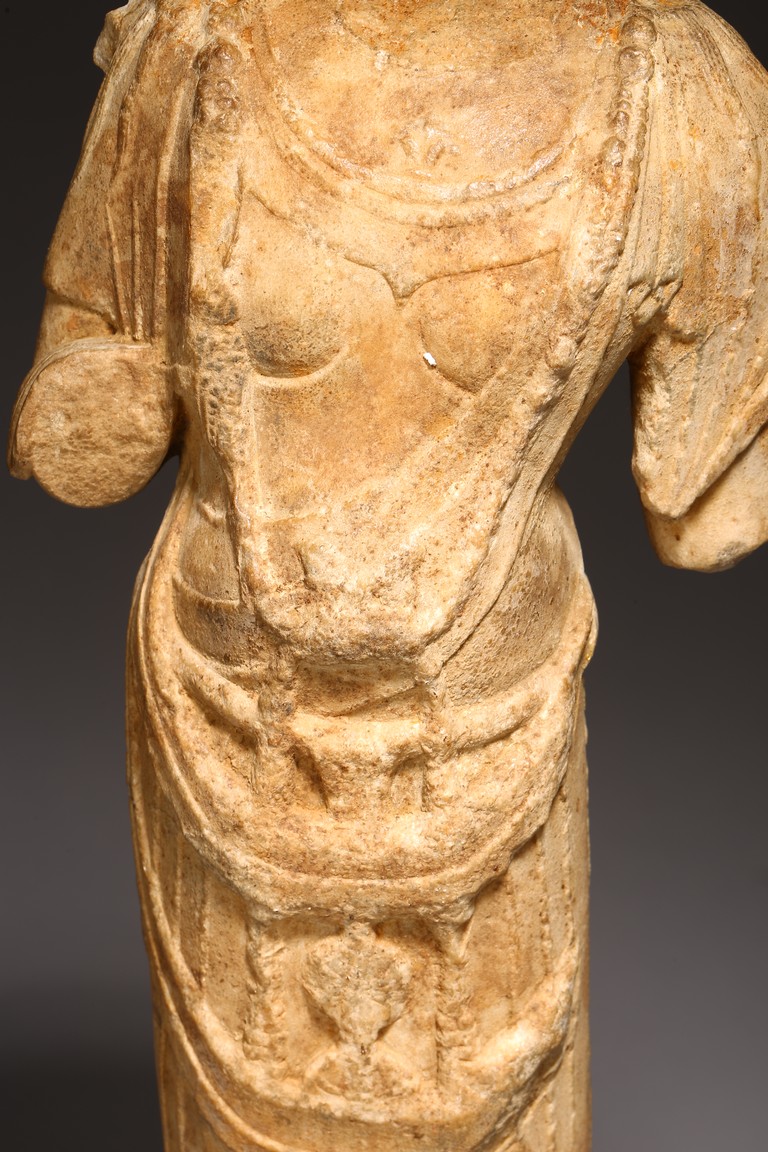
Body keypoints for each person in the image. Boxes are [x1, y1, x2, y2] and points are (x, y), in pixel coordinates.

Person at [10, 3, 768, 1149]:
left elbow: (707, 500)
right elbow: (94, 339)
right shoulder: (199, 52)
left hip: (486, 728)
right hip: (228, 717)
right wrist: (89, 399)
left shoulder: (670, 91)